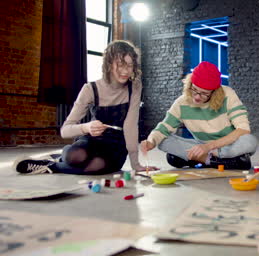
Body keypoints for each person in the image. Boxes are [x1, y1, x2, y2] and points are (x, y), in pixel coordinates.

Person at [15, 40, 156, 175]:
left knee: (95, 167)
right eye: (120, 64)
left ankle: (51, 166)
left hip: (116, 145)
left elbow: (130, 126)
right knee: (75, 157)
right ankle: (63, 156)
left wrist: (135, 164)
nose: (125, 71)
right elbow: (65, 131)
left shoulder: (135, 86)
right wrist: (87, 127)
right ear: (109, 64)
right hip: (92, 140)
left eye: (130, 65)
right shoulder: (90, 89)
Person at [141, 61, 257, 170]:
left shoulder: (228, 95)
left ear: (215, 92)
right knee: (163, 141)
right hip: (201, 146)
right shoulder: (182, 102)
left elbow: (243, 130)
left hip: (227, 145)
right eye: (194, 90)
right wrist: (151, 141)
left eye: (204, 93)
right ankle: (217, 162)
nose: (196, 97)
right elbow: (164, 127)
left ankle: (202, 160)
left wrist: (209, 147)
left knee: (249, 141)